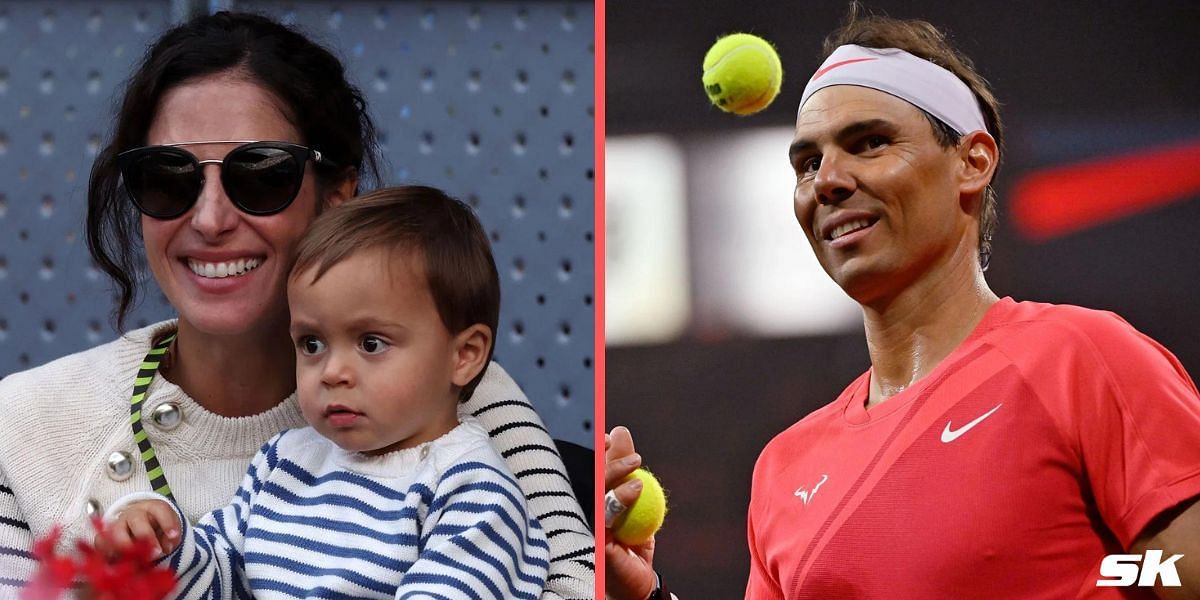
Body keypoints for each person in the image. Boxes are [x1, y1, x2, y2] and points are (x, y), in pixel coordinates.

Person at [605, 6, 1200, 599]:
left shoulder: (1083, 360)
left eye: (869, 143)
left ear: (973, 163)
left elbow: (1182, 570)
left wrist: (1092, 572)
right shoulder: (783, 467)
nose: (827, 181)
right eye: (808, 163)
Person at [0, 12, 592, 599]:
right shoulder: (23, 426)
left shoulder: (464, 399)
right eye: (167, 176)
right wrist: (167, 554)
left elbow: (583, 588)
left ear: (337, 195)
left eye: (260, 174)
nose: (209, 220)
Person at [96, 186, 550, 598]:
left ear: (465, 355)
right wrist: (161, 545)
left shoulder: (473, 493)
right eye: (312, 343)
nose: (332, 372)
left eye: (371, 343)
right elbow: (220, 582)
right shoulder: (284, 461)